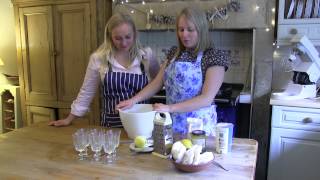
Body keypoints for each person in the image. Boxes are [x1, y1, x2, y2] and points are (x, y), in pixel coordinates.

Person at [117, 7, 230, 137]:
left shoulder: (213, 56)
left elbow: (206, 98)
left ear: (201, 29)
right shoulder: (174, 53)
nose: (184, 34)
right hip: (171, 124)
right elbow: (157, 83)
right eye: (181, 29)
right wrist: (133, 100)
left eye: (190, 29)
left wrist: (170, 108)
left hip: (199, 130)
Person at [48, 13, 160, 128]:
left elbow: (158, 82)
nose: (124, 43)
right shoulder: (99, 59)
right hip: (111, 124)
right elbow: (86, 92)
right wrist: (69, 119)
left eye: (128, 37)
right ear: (109, 36)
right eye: (118, 38)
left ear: (135, 34)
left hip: (141, 123)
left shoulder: (146, 56)